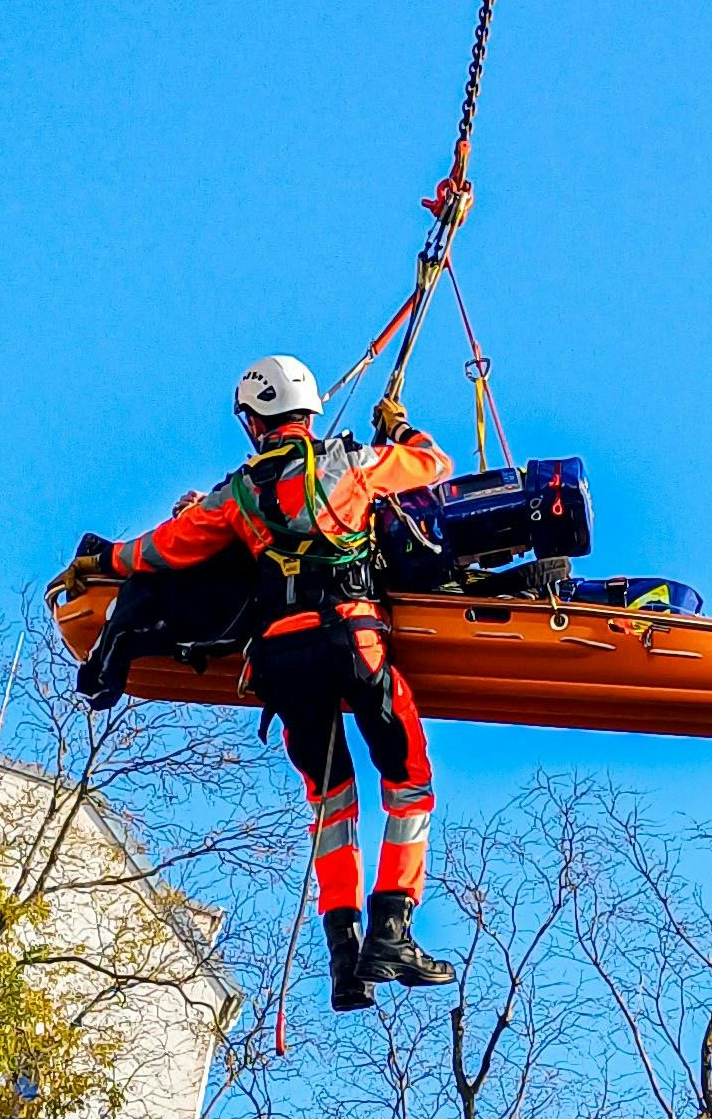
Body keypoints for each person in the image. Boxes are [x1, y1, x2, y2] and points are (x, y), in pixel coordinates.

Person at [69, 354, 459, 1009]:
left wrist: (106, 556)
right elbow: (432, 463)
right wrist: (400, 427)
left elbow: (163, 548)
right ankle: (391, 931)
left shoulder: (237, 493)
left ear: (254, 421)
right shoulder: (354, 463)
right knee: (408, 780)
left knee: (331, 803)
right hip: (353, 641)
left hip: (282, 657)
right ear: (309, 410)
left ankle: (346, 961)